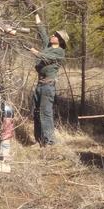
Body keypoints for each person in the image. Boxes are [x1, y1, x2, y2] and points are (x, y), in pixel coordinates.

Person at [24, 14, 68, 146]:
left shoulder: (59, 52)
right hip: (40, 85)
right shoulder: (48, 45)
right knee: (37, 113)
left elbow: (45, 57)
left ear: (60, 40)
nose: (53, 35)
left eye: (56, 35)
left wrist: (35, 52)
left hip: (48, 86)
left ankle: (49, 142)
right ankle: (39, 141)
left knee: (46, 113)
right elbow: (42, 33)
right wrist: (37, 18)